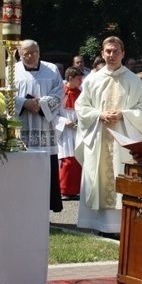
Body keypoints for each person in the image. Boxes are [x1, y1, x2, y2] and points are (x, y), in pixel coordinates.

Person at [74, 36, 142, 236]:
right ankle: (98, 225)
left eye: (116, 51)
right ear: (102, 53)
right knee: (98, 177)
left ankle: (119, 228)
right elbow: (81, 107)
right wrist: (99, 115)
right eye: (108, 51)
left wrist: (124, 115)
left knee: (119, 176)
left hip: (122, 141)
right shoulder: (93, 80)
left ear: (123, 54)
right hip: (99, 137)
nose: (111, 55)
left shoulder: (134, 80)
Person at [13, 39, 64, 212]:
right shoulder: (11, 70)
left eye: (33, 52)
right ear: (19, 54)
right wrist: (24, 103)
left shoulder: (52, 69)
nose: (29, 56)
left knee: (46, 170)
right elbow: (3, 94)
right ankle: (23, 208)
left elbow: (59, 92)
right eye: (25, 53)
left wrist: (40, 105)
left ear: (39, 52)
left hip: (44, 128)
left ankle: (46, 208)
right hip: (22, 127)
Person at [56, 67, 84, 200]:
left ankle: (74, 190)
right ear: (70, 78)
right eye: (78, 79)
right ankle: (64, 189)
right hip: (64, 131)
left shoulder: (81, 93)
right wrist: (63, 121)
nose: (81, 81)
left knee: (77, 159)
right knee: (66, 160)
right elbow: (53, 113)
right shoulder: (61, 93)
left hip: (77, 130)